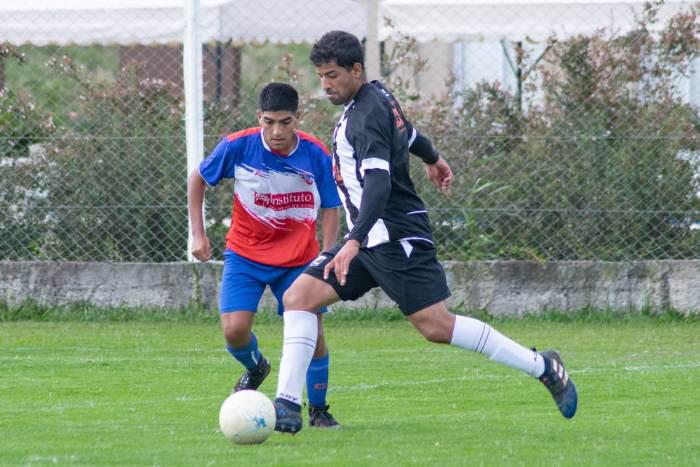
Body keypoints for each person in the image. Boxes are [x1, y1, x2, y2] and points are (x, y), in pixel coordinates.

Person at [272, 31, 578, 434]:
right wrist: (433, 158)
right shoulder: (378, 96)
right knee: (299, 298)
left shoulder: (365, 115)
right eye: (321, 76)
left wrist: (352, 241)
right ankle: (286, 406)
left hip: (395, 238)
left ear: (356, 70)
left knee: (437, 327)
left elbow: (378, 183)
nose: (325, 84)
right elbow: (409, 133)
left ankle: (543, 366)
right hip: (368, 239)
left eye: (332, 75)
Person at [187, 82, 343, 428]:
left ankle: (318, 409)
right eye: (269, 121)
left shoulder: (315, 154)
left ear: (297, 117)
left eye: (285, 122)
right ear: (259, 117)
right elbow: (197, 178)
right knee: (234, 331)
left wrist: (328, 254)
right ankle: (256, 366)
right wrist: (197, 233)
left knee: (314, 335)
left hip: (299, 261)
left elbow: (331, 207)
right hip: (245, 256)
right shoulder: (238, 146)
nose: (276, 131)